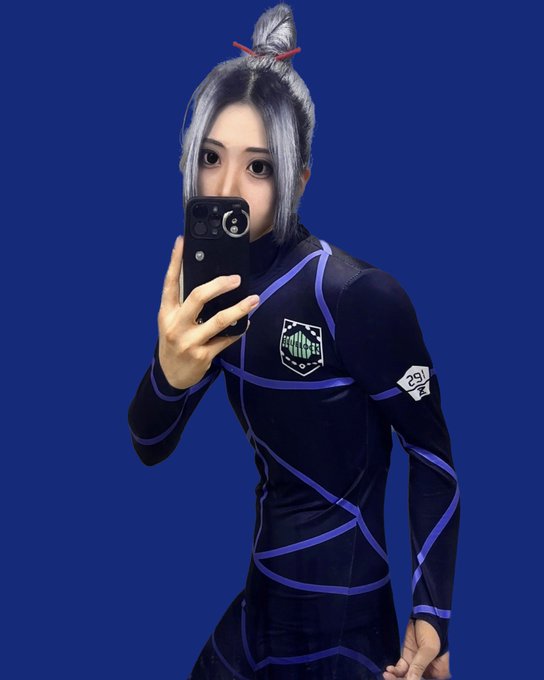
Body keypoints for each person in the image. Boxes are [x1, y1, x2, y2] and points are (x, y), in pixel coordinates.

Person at [127, 4, 460, 679]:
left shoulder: (356, 295)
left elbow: (433, 458)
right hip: (259, 612)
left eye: (259, 167)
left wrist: (432, 617)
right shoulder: (215, 290)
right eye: (211, 158)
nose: (226, 188)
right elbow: (149, 445)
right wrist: (168, 373)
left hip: (347, 631)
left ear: (298, 177)